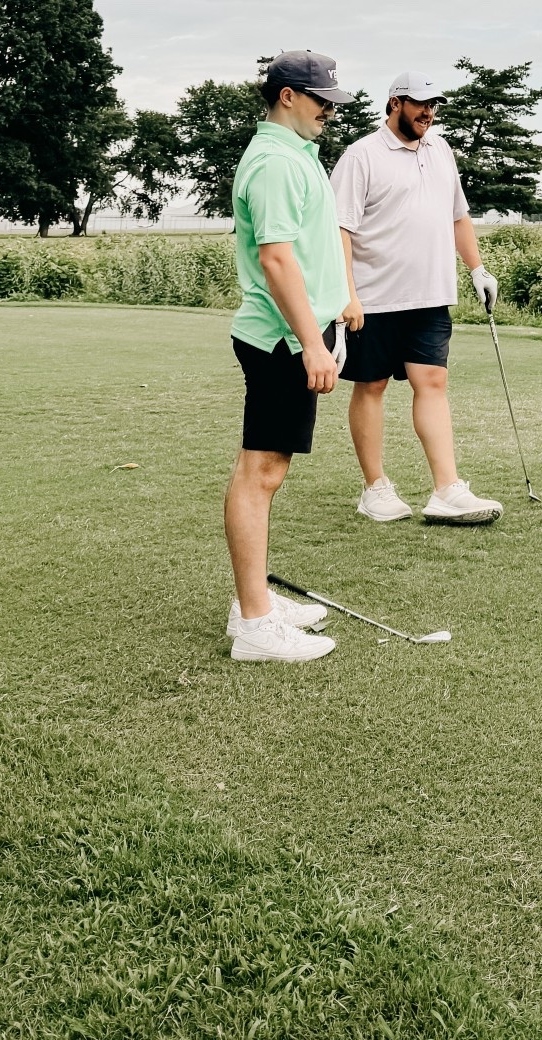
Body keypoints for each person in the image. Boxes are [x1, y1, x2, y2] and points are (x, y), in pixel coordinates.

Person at [224, 50, 360, 664]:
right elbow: (277, 260)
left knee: (267, 470)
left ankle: (255, 603)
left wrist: (339, 307)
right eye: (321, 100)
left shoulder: (296, 153)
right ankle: (255, 622)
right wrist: (312, 341)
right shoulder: (276, 162)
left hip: (296, 332)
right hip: (281, 339)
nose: (330, 111)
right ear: (286, 96)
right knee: (262, 472)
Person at [330, 73, 503, 525]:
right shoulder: (361, 155)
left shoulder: (441, 150)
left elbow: (458, 217)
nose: (429, 113)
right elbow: (340, 231)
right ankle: (375, 488)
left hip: (430, 296)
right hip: (372, 298)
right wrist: (347, 295)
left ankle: (447, 488)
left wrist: (477, 269)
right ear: (395, 103)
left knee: (433, 384)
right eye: (420, 105)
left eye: (434, 106)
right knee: (371, 386)